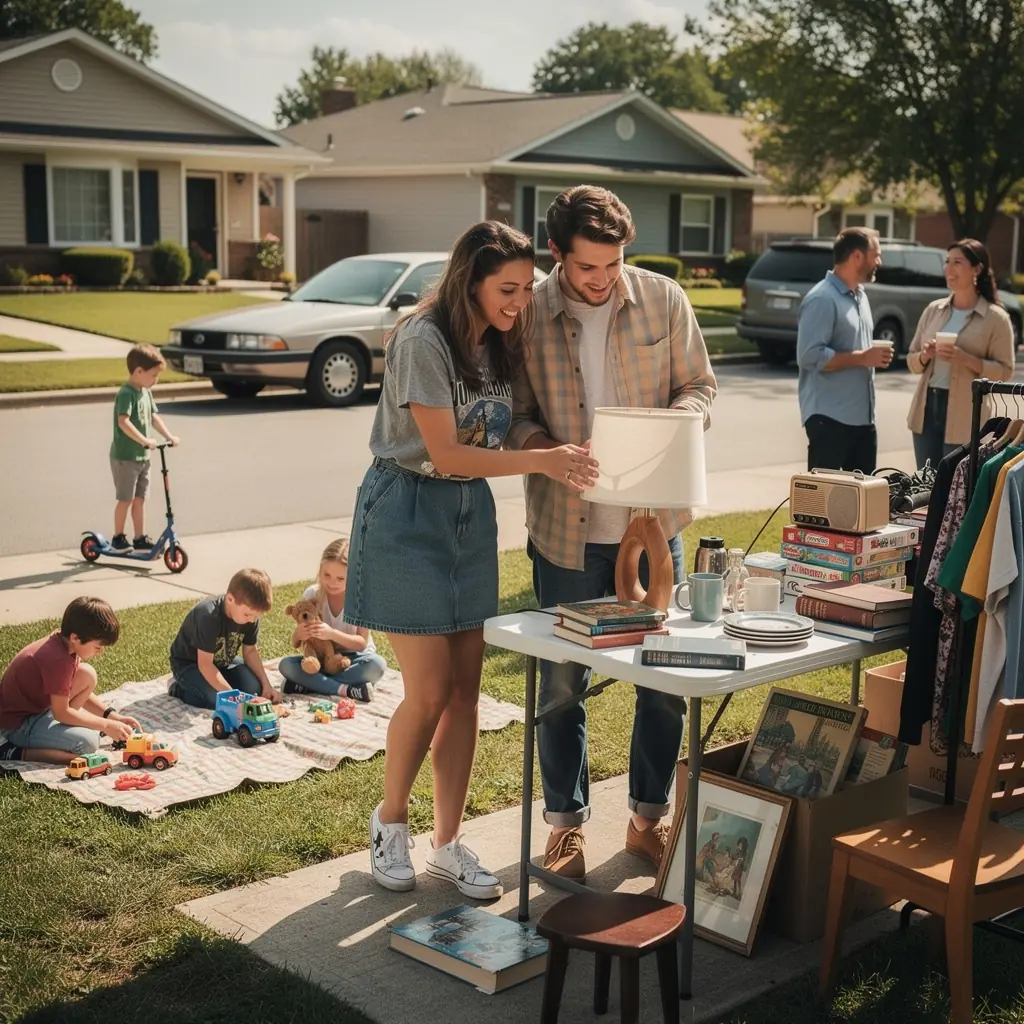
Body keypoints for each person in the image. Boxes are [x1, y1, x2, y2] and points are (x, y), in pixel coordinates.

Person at [343, 221, 598, 899]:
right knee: (426, 693)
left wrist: (550, 442)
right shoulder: (424, 339)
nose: (520, 300)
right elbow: (447, 453)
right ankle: (389, 823)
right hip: (407, 511)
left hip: (467, 517)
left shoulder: (502, 341)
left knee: (465, 696)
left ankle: (448, 845)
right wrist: (543, 460)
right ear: (470, 281)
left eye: (525, 287)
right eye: (506, 289)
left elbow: (499, 425)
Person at [507, 185, 717, 881]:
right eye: (587, 268)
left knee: (662, 683)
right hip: (565, 532)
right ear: (559, 255)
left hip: (656, 527)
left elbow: (700, 388)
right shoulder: (528, 312)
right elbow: (513, 411)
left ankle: (646, 819)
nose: (602, 281)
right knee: (562, 687)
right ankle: (565, 829)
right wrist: (547, 450)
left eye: (614, 264)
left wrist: (666, 436)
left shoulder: (664, 299)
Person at [907, 239, 1015, 471]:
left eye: (957, 262)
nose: (949, 269)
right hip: (927, 408)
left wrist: (965, 358)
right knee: (924, 484)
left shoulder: (996, 318)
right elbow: (912, 362)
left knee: (955, 488)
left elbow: (1005, 371)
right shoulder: (934, 310)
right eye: (947, 262)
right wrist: (925, 355)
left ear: (977, 269)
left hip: (966, 412)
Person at [796, 227, 891, 474]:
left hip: (863, 420)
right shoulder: (822, 299)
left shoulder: (861, 296)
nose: (879, 261)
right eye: (876, 255)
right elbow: (809, 355)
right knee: (824, 506)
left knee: (862, 505)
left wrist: (871, 356)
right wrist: (863, 358)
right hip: (829, 420)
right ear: (857, 256)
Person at [0, 597, 139, 764]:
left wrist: (112, 717)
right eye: (98, 647)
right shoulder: (57, 659)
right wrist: (105, 725)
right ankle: (14, 752)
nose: (101, 652)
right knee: (87, 744)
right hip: (18, 724)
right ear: (75, 638)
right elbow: (61, 712)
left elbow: (67, 689)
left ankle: (61, 730)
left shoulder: (64, 644)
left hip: (42, 709)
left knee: (87, 675)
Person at [279, 538, 387, 701]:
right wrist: (299, 634)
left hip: (353, 659)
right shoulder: (312, 595)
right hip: (321, 661)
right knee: (286, 665)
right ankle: (345, 689)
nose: (332, 582)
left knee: (377, 665)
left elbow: (361, 643)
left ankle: (310, 684)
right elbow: (296, 641)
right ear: (320, 570)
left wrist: (331, 634)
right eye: (326, 575)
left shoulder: (361, 600)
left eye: (340, 578)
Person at [167, 568, 282, 709]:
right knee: (218, 700)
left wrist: (267, 685)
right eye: (247, 615)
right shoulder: (208, 616)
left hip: (223, 661)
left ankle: (221, 683)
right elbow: (205, 664)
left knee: (255, 691)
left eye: (256, 616)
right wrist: (232, 696)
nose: (252, 620)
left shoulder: (250, 617)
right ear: (230, 599)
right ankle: (177, 687)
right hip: (191, 664)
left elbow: (250, 651)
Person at [109, 344, 180, 551]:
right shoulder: (126, 394)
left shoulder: (145, 392)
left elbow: (153, 417)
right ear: (138, 371)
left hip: (143, 457)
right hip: (125, 457)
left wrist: (169, 436)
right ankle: (118, 538)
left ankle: (139, 538)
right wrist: (144, 440)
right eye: (154, 375)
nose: (156, 380)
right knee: (126, 499)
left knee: (140, 500)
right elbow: (124, 422)